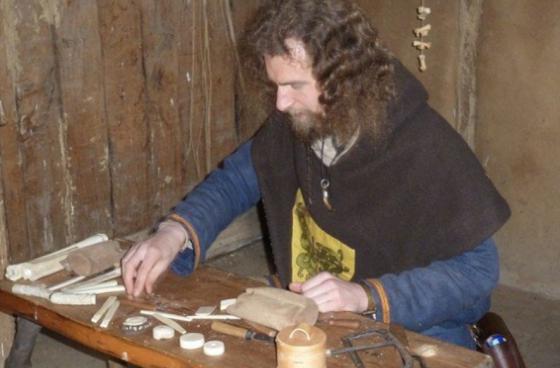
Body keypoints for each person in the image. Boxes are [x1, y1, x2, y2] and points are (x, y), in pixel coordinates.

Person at [122, 0, 510, 349]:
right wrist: (173, 234)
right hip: (307, 316)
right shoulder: (301, 120)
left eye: (294, 86)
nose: (280, 102)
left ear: (344, 78)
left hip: (416, 329)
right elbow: (236, 179)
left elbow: (477, 271)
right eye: (275, 85)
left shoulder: (424, 146)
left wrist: (364, 297)